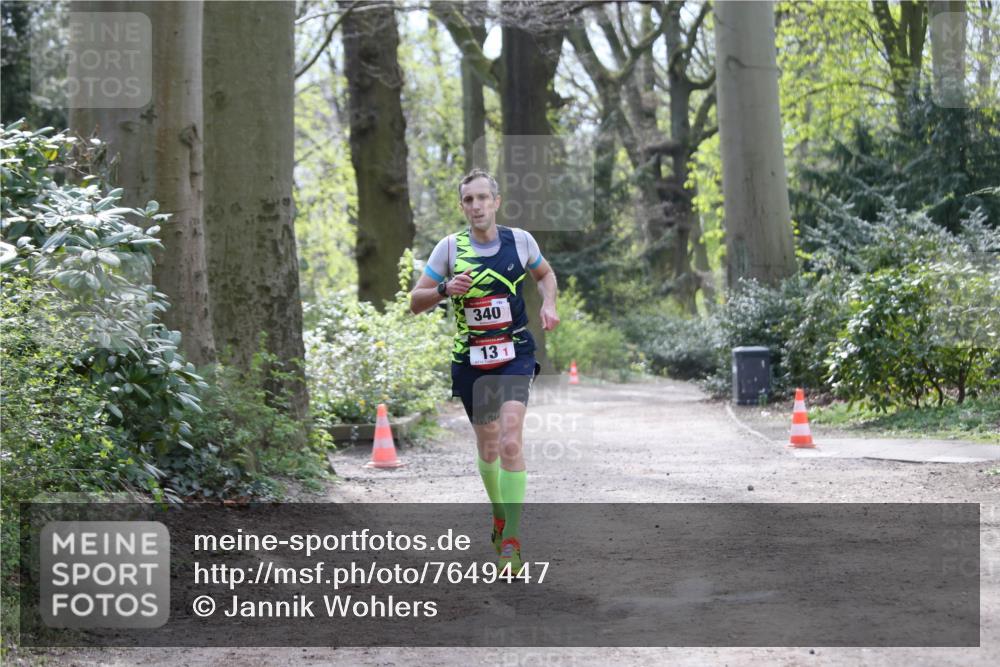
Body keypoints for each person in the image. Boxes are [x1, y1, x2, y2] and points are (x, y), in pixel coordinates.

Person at [410, 168, 559, 574]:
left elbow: (545, 275)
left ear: (496, 202)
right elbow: (415, 300)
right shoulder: (450, 249)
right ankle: (498, 513)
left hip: (515, 353)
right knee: (489, 445)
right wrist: (443, 290)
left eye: (482, 198)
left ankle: (511, 537)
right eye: (468, 200)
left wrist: (549, 304)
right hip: (471, 360)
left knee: (511, 440)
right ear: (462, 207)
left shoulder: (521, 241)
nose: (476, 206)